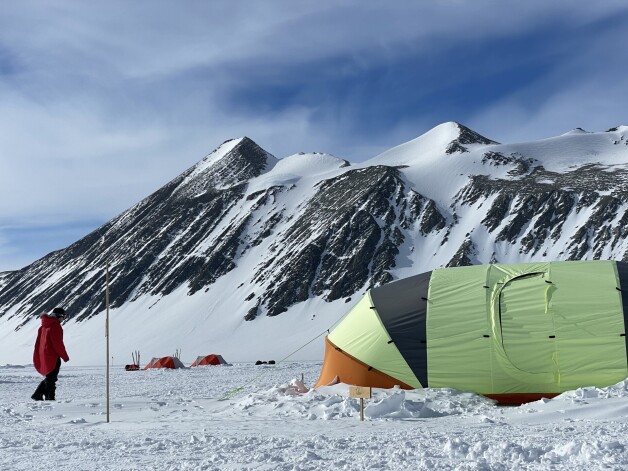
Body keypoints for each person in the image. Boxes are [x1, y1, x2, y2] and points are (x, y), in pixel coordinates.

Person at [31, 307, 70, 401]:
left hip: (45, 355)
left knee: (49, 377)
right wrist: (64, 356)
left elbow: (39, 343)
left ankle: (38, 394)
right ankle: (50, 398)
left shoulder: (43, 326)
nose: (63, 319)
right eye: (63, 317)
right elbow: (57, 344)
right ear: (59, 316)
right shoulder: (55, 326)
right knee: (51, 379)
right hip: (53, 356)